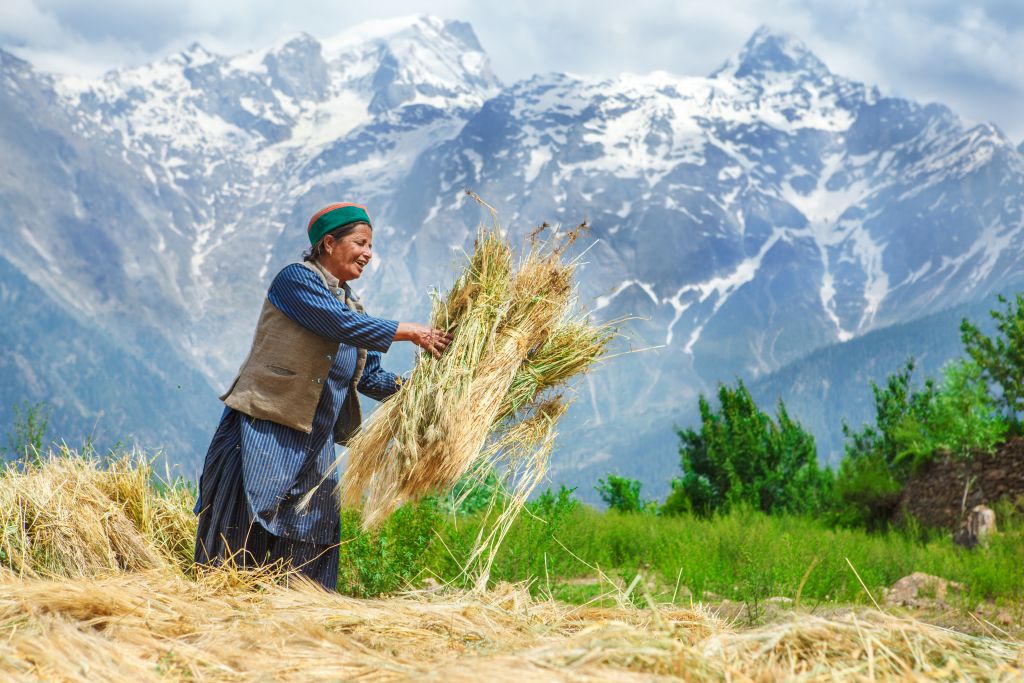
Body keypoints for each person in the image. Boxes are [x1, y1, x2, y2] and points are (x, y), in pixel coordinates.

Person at [193, 202, 451, 590]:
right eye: (360, 243)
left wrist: (427, 392)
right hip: (267, 430)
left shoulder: (353, 307)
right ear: (329, 243)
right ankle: (226, 604)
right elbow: (338, 324)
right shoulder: (296, 281)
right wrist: (411, 331)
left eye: (370, 246)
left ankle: (299, 613)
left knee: (312, 531)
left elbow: (370, 377)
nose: (368, 253)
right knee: (244, 525)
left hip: (315, 443)